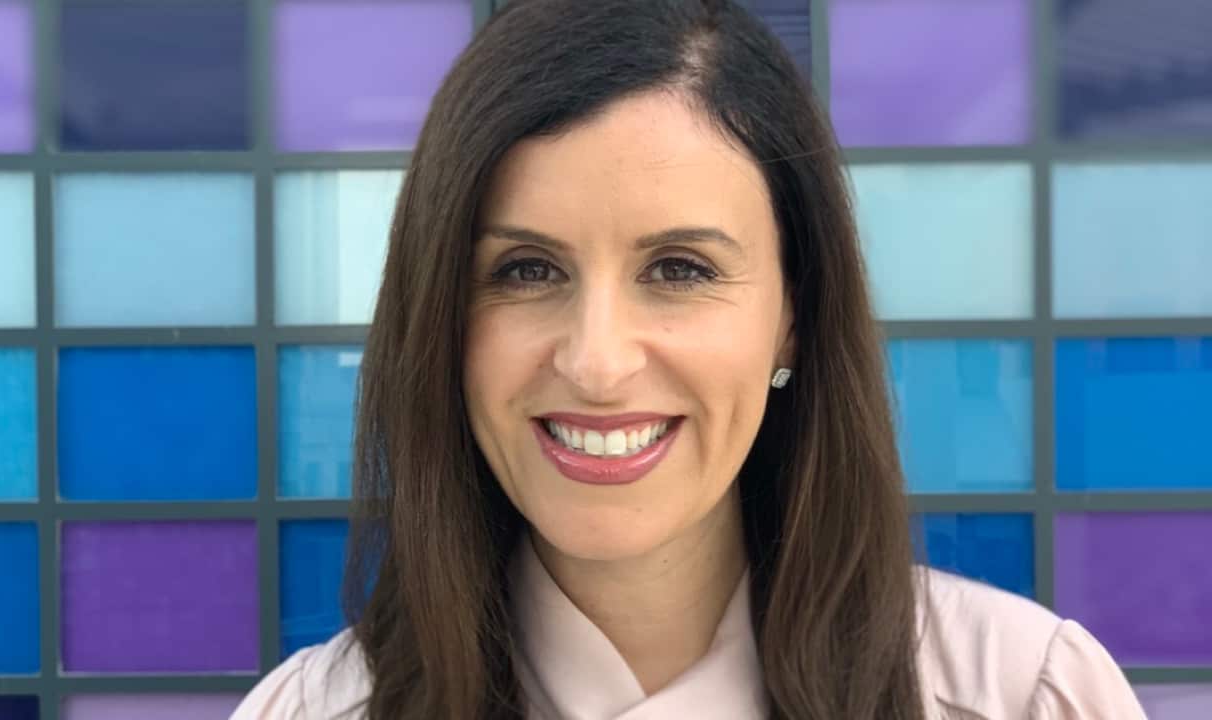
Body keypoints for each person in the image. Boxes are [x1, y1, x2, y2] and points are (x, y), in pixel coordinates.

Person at [233, 1, 1147, 718]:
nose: (597, 362)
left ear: (794, 316)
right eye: (525, 268)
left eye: (679, 269)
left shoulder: (1024, 697)